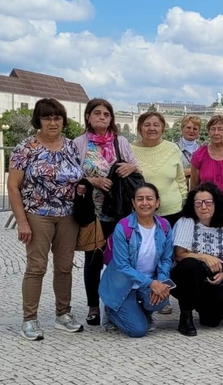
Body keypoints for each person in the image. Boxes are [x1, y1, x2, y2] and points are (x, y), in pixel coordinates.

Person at [9, 99, 84, 341]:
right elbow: (12, 186)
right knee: (36, 268)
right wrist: (22, 221)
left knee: (64, 267)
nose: (53, 122)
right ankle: (29, 319)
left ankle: (63, 314)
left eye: (57, 118)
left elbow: (77, 176)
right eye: (47, 118)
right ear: (38, 120)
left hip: (68, 216)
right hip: (37, 215)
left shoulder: (71, 146)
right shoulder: (25, 148)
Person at [73, 98, 140, 326]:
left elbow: (135, 168)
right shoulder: (79, 143)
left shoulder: (120, 142)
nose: (102, 117)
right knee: (93, 259)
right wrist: (92, 180)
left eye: (106, 114)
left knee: (120, 258)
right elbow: (71, 174)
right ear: (88, 117)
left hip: (119, 210)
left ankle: (116, 302)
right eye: (97, 113)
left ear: (111, 118)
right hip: (93, 211)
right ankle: (93, 306)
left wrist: (131, 167)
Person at [98, 184, 173, 338]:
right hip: (123, 285)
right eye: (140, 199)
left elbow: (166, 259)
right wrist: (151, 284)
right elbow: (122, 266)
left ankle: (142, 312)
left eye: (149, 199)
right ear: (133, 203)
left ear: (157, 202)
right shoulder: (123, 227)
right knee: (138, 331)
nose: (144, 203)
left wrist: (160, 282)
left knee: (162, 300)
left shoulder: (164, 226)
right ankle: (111, 311)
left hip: (147, 282)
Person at [170, 183, 223, 335]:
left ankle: (204, 307)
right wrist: (204, 257)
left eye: (208, 202)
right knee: (190, 265)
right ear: (193, 205)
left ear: (216, 203)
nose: (203, 207)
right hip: (186, 278)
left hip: (213, 279)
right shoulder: (186, 222)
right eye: (198, 203)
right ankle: (186, 315)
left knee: (211, 321)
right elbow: (179, 255)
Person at [131, 111, 187, 225]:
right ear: (139, 129)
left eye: (156, 125)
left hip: (173, 211)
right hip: (142, 213)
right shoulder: (128, 150)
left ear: (162, 129)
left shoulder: (173, 149)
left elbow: (180, 179)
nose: (152, 128)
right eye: (147, 125)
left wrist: (185, 202)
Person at [176, 114, 202, 186]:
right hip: (178, 189)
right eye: (188, 128)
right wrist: (195, 171)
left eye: (195, 129)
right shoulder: (173, 148)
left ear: (199, 131)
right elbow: (171, 172)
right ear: (182, 128)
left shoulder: (203, 150)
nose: (191, 131)